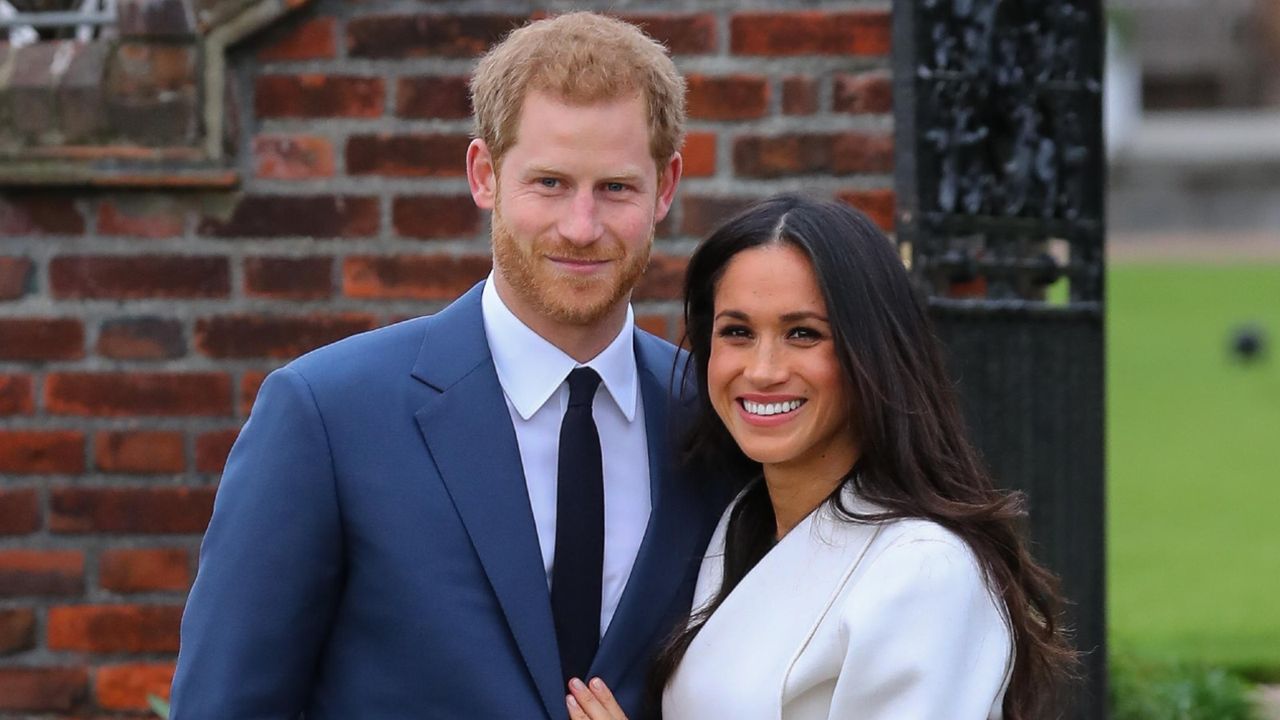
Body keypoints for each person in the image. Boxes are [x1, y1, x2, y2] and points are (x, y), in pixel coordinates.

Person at [170, 12, 726, 719]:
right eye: (549, 182)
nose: (581, 227)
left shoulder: (710, 417)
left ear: (666, 186)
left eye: (615, 188)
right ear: (484, 175)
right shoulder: (327, 417)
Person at [565, 195, 1077, 720]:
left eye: (802, 334)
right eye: (737, 332)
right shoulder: (738, 523)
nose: (763, 370)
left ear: (870, 352)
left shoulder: (923, 571)